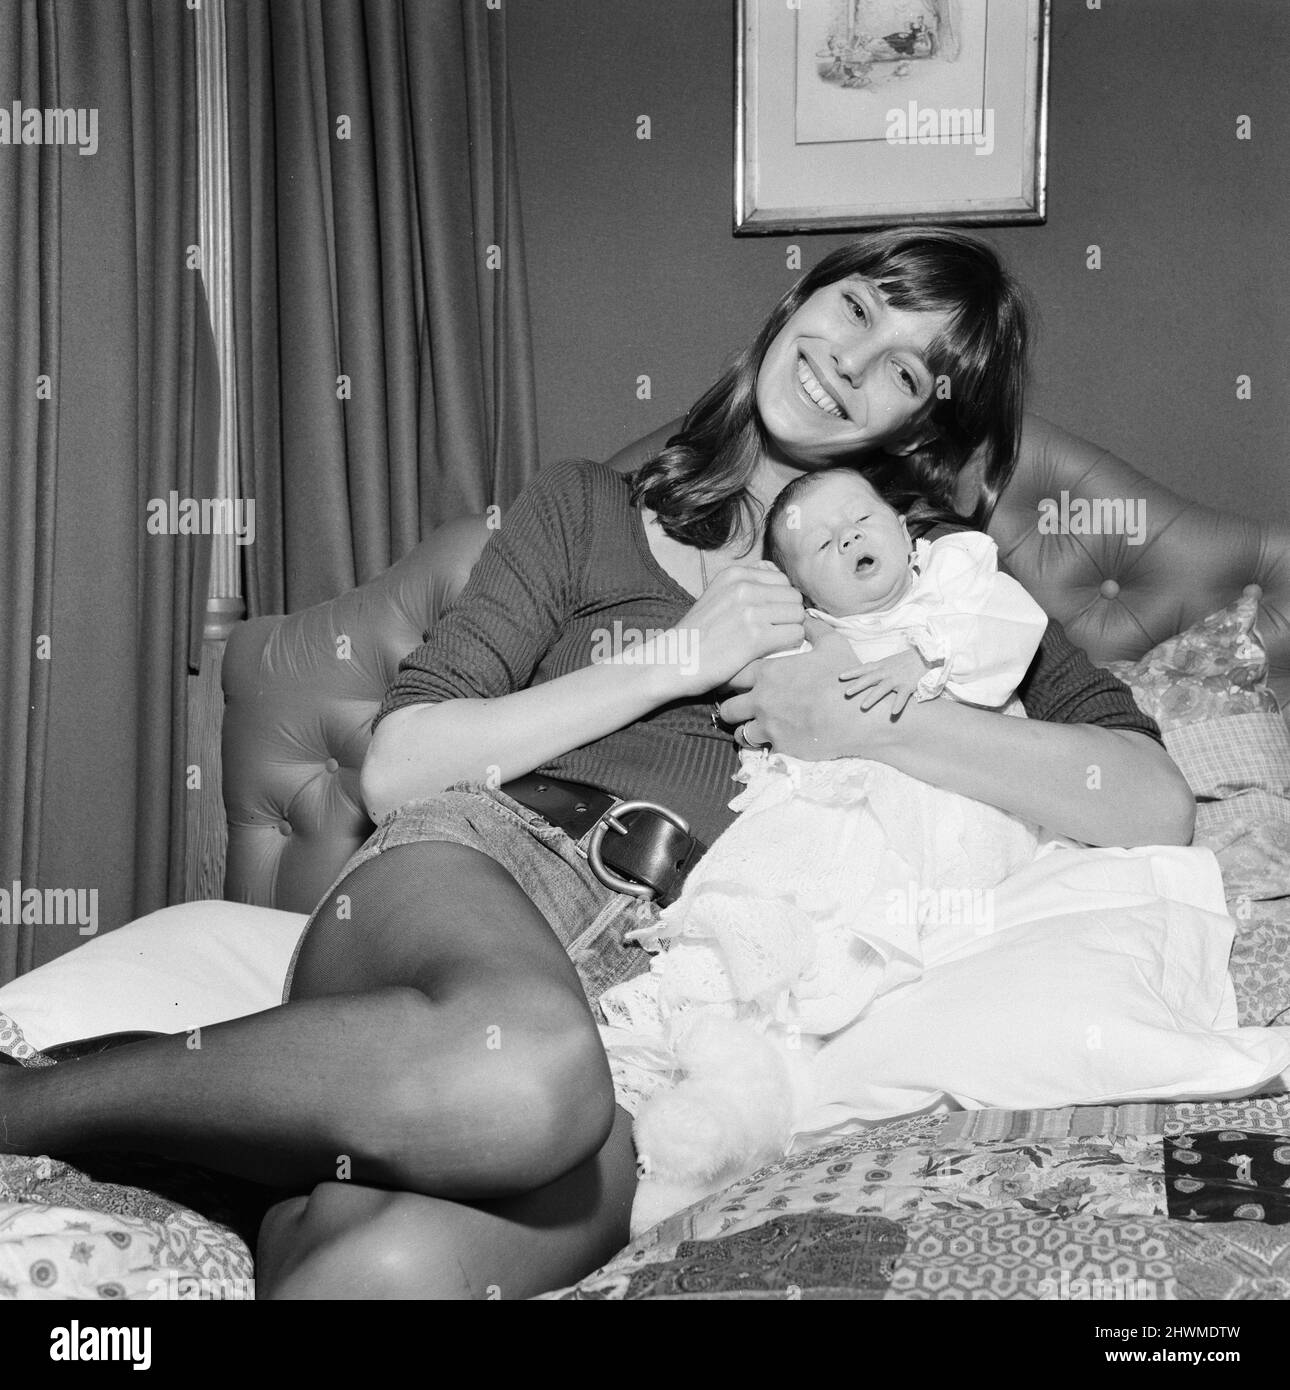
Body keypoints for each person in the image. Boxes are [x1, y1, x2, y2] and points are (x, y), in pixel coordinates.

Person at [0, 229, 1195, 1300]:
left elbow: (1152, 800)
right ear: (799, 302)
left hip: (657, 1004)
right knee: (526, 1070)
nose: (855, 356)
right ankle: (43, 1096)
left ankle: (287, 1194)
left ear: (918, 424)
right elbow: (399, 766)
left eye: (907, 369)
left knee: (385, 1270)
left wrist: (867, 722)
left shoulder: (930, 590)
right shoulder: (583, 508)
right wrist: (679, 656)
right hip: (472, 869)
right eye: (862, 306)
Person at [598, 467, 1049, 1221]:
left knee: (871, 951)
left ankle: (770, 1101)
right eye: (822, 545)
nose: (846, 538)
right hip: (833, 817)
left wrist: (920, 661)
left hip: (947, 806)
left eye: (860, 519)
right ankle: (711, 1109)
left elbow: (1010, 630)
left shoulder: (956, 580)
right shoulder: (812, 635)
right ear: (804, 590)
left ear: (909, 535)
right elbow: (758, 703)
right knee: (762, 929)